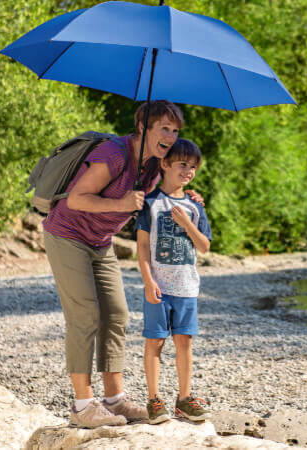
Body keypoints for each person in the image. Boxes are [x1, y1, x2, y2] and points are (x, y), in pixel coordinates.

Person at [43, 100, 202, 428]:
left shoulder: (155, 165)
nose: (171, 137)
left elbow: (166, 190)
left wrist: (189, 197)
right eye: (164, 129)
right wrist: (119, 203)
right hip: (68, 235)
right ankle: (83, 405)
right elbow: (76, 199)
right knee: (85, 315)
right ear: (143, 127)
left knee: (116, 314)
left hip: (101, 243)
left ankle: (114, 400)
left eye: (175, 131)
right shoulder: (114, 154)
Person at [135, 138, 212, 424]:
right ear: (164, 164)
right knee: (154, 341)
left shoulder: (194, 205)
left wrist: (188, 223)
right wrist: (147, 280)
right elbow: (142, 247)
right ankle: (154, 400)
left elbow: (204, 246)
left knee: (184, 341)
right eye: (182, 164)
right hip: (158, 286)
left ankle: (184, 399)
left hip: (186, 286)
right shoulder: (151, 203)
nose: (188, 171)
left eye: (193, 167)